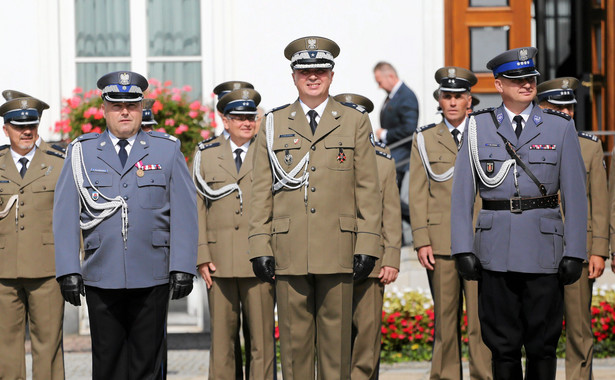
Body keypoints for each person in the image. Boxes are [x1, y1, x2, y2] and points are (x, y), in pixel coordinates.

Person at [248, 36, 382, 380]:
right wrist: (259, 246)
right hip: (288, 249)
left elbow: (368, 188)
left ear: (332, 74)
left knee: (336, 351)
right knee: (294, 350)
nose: (312, 76)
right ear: (293, 76)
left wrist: (367, 244)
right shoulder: (274, 122)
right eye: (304, 70)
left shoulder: (354, 121)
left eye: (320, 70)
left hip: (339, 248)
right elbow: (261, 190)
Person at [451, 47, 587, 380]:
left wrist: (575, 251)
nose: (526, 85)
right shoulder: (477, 127)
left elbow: (575, 195)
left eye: (530, 79)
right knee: (502, 345)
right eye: (517, 79)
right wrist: (462, 247)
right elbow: (462, 195)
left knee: (542, 344)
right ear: (498, 85)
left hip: (544, 251)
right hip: (494, 251)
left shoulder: (559, 127)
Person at [53, 71, 198, 380]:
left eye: (131, 105)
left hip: (152, 273)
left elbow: (185, 213)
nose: (124, 112)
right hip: (101, 273)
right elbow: (65, 214)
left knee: (147, 364)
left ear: (142, 107)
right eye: (116, 105)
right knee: (107, 364)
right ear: (104, 108)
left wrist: (183, 265)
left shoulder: (167, 149)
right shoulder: (82, 152)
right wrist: (68, 269)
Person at [410, 67, 492, 380]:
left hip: (480, 238)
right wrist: (421, 240)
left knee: (481, 319)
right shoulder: (425, 138)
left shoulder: (485, 133)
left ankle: (484, 375)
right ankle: (445, 376)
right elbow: (417, 194)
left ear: (470, 99)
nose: (454, 102)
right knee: (445, 320)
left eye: (459, 96)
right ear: (439, 100)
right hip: (441, 241)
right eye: (448, 96)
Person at [193, 87, 275, 379]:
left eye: (250, 117)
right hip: (219, 261)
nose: (246, 122)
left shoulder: (269, 152)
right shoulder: (206, 154)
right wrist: (201, 255)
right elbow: (198, 208)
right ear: (224, 121)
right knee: (222, 342)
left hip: (259, 260)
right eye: (238, 117)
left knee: (262, 342)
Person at [537, 77, 608, 380]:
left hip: (578, 249)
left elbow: (600, 202)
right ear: (541, 108)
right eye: (557, 107)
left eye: (569, 108)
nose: (566, 113)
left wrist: (599, 249)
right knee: (539, 328)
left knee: (579, 329)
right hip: (538, 248)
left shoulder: (590, 147)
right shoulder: (528, 142)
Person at [334, 93, 402, 380]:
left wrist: (392, 258)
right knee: (332, 333)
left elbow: (391, 213)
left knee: (367, 333)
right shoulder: (323, 156)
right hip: (331, 257)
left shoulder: (383, 162)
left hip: (372, 258)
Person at [0, 90, 66, 380]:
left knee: (48, 345)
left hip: (48, 268)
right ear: (6, 128)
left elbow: (71, 214)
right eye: (18, 125)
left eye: (32, 125)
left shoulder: (59, 162)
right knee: (5, 347)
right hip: (3, 269)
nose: (26, 131)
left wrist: (71, 264)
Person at [373, 61, 419, 188]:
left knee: (393, 198)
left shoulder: (406, 96)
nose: (379, 86)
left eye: (379, 82)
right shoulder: (394, 96)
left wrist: (385, 134)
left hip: (400, 155)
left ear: (391, 77)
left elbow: (410, 128)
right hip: (392, 153)